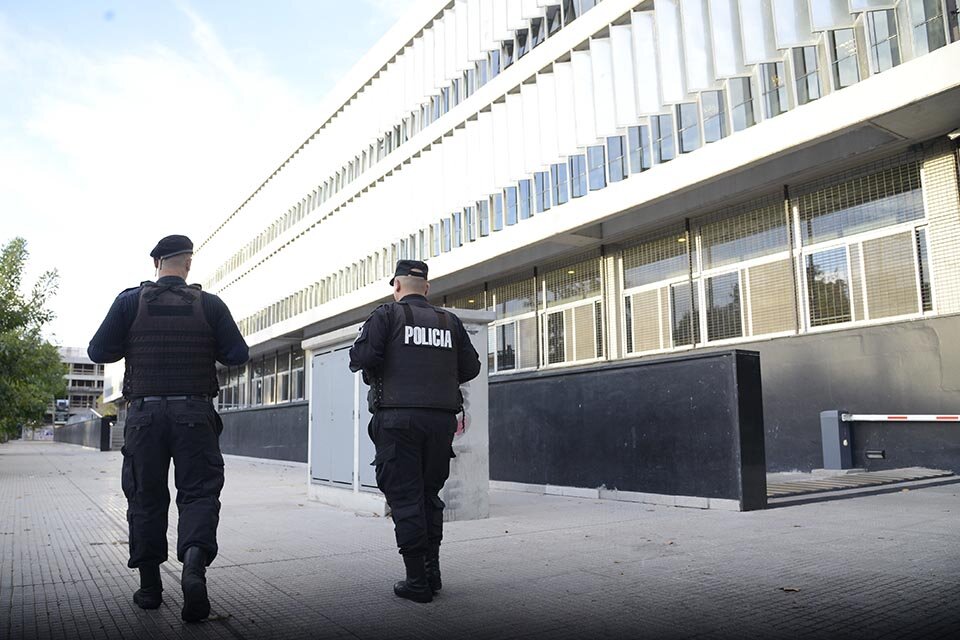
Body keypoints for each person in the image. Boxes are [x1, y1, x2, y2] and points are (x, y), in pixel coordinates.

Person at [87, 234, 249, 622]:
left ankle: (150, 588)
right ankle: (193, 567)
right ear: (188, 264)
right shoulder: (209, 304)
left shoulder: (130, 301)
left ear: (156, 264)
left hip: (143, 416)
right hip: (194, 413)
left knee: (145, 497)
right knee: (198, 494)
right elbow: (238, 355)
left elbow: (98, 351)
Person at [349, 259, 481, 603]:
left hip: (397, 421)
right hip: (440, 422)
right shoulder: (448, 321)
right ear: (426, 288)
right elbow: (471, 366)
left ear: (396, 287)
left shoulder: (386, 316)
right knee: (428, 494)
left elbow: (362, 357)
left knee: (405, 496)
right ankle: (431, 571)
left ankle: (416, 581)